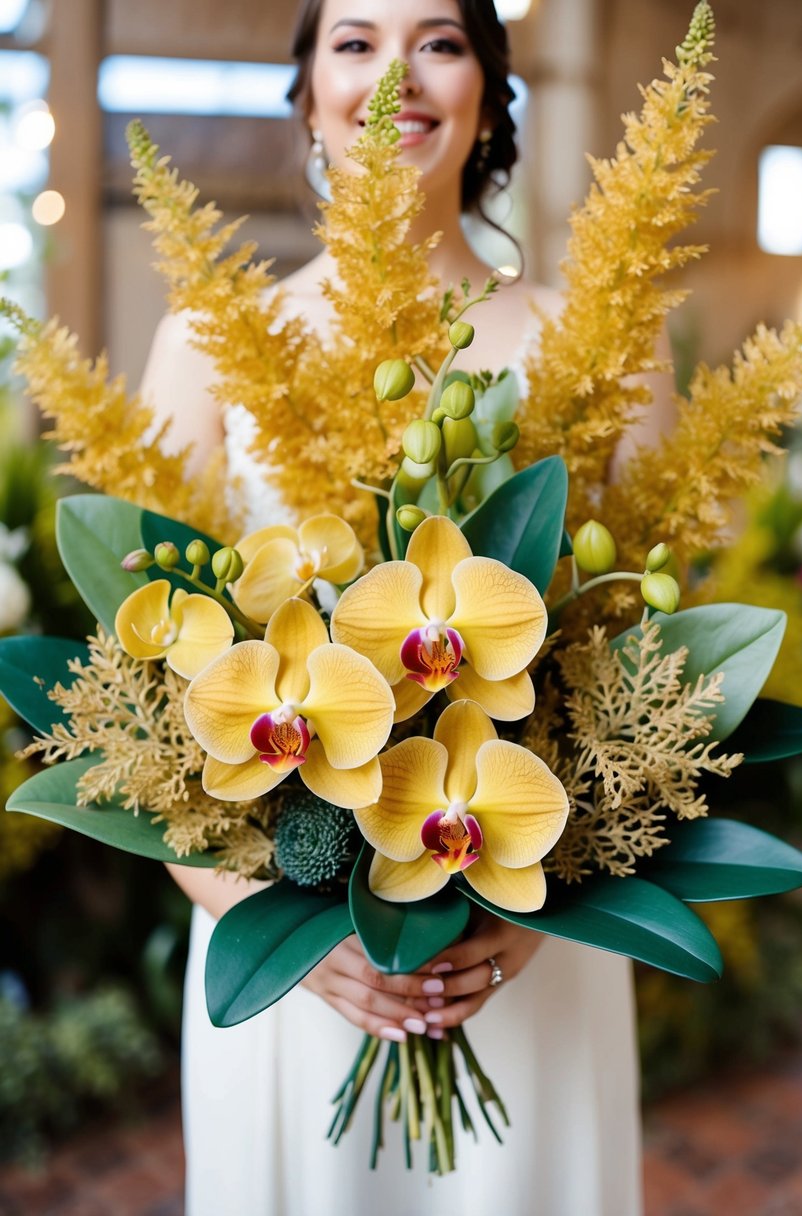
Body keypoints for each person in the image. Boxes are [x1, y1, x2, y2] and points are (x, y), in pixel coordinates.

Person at [140, 2, 643, 1213]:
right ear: (308, 94)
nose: (394, 77)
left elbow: (658, 682)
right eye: (354, 42)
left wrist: (534, 915)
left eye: (440, 40)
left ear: (488, 90)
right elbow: (143, 733)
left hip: (532, 948)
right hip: (301, 957)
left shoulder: (600, 342)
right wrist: (289, 940)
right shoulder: (208, 346)